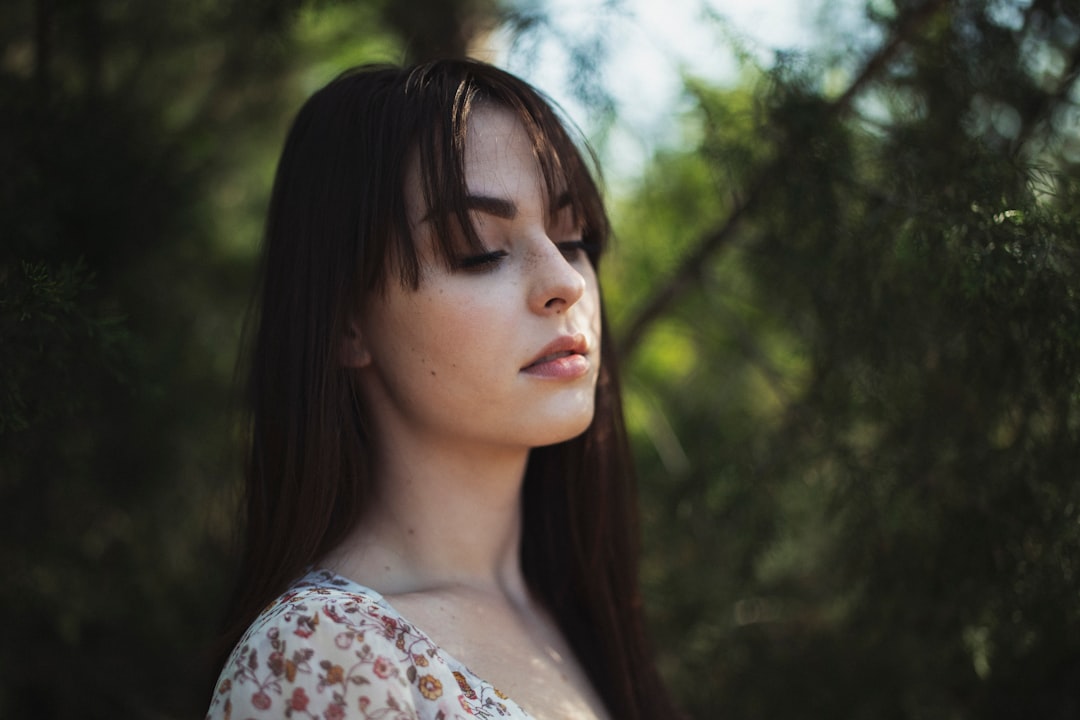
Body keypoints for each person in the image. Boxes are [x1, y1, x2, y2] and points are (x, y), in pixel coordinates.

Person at [206, 59, 678, 720]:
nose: (566, 282)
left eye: (572, 239)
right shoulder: (323, 656)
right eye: (478, 248)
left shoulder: (573, 616)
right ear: (346, 321)